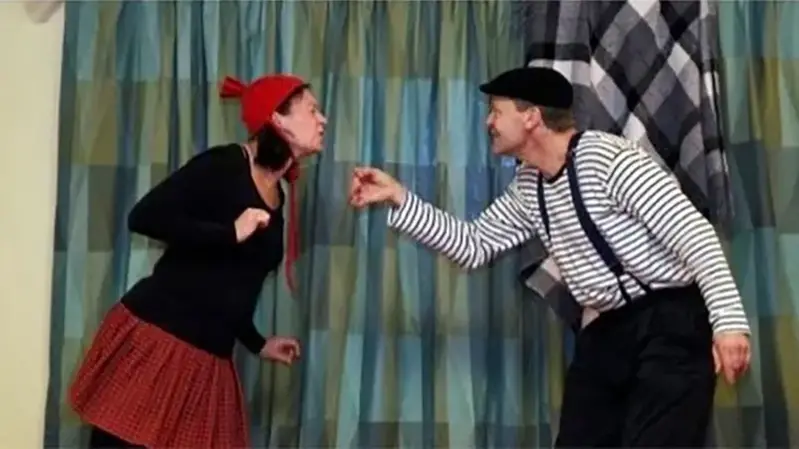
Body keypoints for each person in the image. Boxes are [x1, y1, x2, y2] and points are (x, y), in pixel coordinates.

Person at [349, 66, 752, 447]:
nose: (489, 122)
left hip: (670, 321)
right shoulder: (529, 185)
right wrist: (398, 197)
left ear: (532, 117)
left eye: (496, 111)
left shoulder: (611, 159)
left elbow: (694, 234)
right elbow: (473, 244)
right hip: (606, 332)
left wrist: (729, 323)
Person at [68, 73, 327, 449]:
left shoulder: (278, 196)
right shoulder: (225, 164)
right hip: (160, 343)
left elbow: (232, 283)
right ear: (277, 118)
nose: (323, 119)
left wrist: (257, 342)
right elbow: (144, 216)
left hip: (208, 361)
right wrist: (229, 232)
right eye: (312, 110)